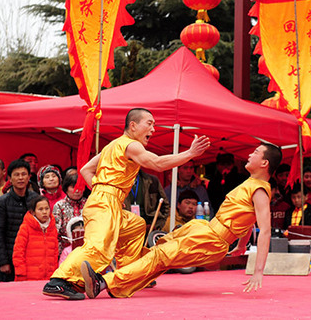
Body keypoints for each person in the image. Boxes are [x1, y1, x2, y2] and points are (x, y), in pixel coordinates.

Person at [43, 108, 210, 300]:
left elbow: (86, 170)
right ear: (133, 125)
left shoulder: (112, 146)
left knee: (135, 225)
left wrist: (103, 191)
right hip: (104, 202)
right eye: (149, 123)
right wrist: (190, 153)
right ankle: (59, 281)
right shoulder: (131, 145)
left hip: (108, 201)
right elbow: (156, 163)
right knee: (99, 246)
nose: (153, 129)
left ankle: (124, 279)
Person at [79, 142, 282, 299]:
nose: (249, 154)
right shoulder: (251, 184)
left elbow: (264, 230)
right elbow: (249, 220)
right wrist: (241, 245)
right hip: (204, 229)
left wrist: (258, 271)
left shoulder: (260, 190)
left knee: (160, 256)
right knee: (160, 247)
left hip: (211, 239)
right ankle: (126, 280)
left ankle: (103, 282)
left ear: (265, 163)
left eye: (255, 152)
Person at [0, 159, 39, 282]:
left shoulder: (36, 200)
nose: (20, 178)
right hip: (10, 258)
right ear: (9, 178)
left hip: (33, 257)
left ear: (29, 177)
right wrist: (3, 262)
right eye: (16, 175)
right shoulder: (1, 202)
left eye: (23, 174)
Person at [13, 196, 59, 281]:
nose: (44, 212)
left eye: (47, 208)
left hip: (49, 277)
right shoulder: (25, 227)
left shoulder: (52, 228)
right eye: (40, 209)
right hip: (28, 277)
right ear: (33, 212)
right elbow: (18, 252)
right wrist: (21, 273)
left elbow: (55, 253)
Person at [53, 173, 87, 255]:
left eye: (80, 187)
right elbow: (56, 231)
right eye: (73, 187)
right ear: (66, 188)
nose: (77, 190)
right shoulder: (59, 206)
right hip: (65, 251)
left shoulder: (89, 204)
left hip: (87, 249)